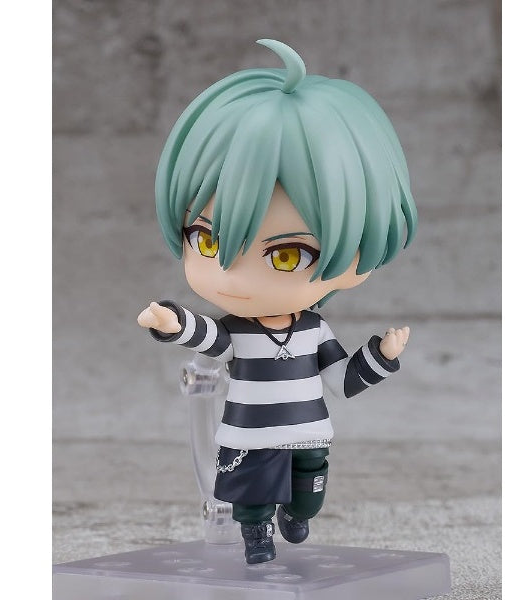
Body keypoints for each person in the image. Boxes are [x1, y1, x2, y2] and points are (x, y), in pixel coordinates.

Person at [137, 39, 417, 564]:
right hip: (248, 432)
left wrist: (381, 356)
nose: (229, 276)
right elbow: (208, 336)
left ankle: (297, 516)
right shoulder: (237, 331)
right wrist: (171, 322)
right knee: (250, 497)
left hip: (309, 432)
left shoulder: (314, 331)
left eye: (286, 256)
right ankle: (256, 536)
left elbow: (341, 380)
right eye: (207, 242)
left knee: (309, 496)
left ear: (357, 258)